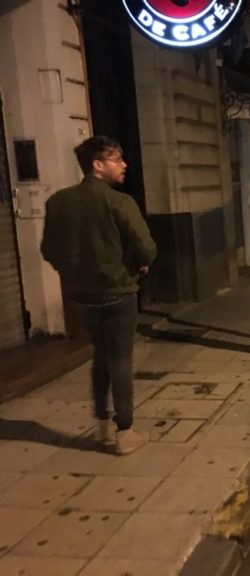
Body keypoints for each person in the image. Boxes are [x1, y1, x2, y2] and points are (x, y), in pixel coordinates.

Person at [41, 136, 157, 456]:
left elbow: (49, 250)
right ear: (97, 165)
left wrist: (74, 273)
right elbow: (146, 246)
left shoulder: (58, 202)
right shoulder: (119, 202)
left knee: (100, 354)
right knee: (120, 358)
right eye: (116, 159)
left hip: (83, 295)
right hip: (119, 292)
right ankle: (125, 431)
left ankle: (101, 423)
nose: (124, 165)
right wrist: (138, 266)